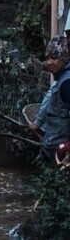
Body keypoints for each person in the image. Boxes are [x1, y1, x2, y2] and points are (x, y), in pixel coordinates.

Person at [31, 36, 70, 164]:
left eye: (54, 58)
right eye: (47, 58)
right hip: (56, 143)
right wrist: (37, 122)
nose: (49, 62)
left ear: (64, 59)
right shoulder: (61, 80)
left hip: (62, 149)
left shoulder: (66, 84)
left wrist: (68, 149)